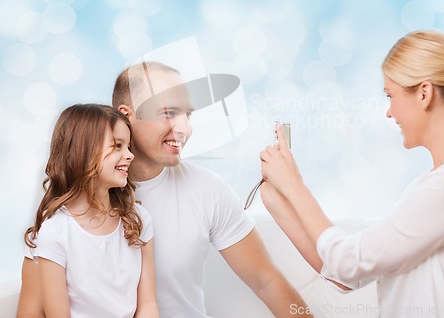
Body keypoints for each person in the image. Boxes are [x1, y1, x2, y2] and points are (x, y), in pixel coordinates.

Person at [18, 62, 310, 318]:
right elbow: (32, 310)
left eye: (188, 115)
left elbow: (267, 281)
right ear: (127, 115)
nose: (184, 129)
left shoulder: (205, 190)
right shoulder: (64, 215)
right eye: (169, 113)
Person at [259, 30, 444, 317]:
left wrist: (294, 185)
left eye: (391, 95)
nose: (389, 112)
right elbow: (345, 275)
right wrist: (278, 200)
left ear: (424, 93)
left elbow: (348, 263)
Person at [19, 104, 159, 318]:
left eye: (128, 146)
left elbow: (148, 306)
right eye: (118, 146)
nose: (130, 155)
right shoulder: (56, 232)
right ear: (83, 153)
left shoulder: (138, 219)